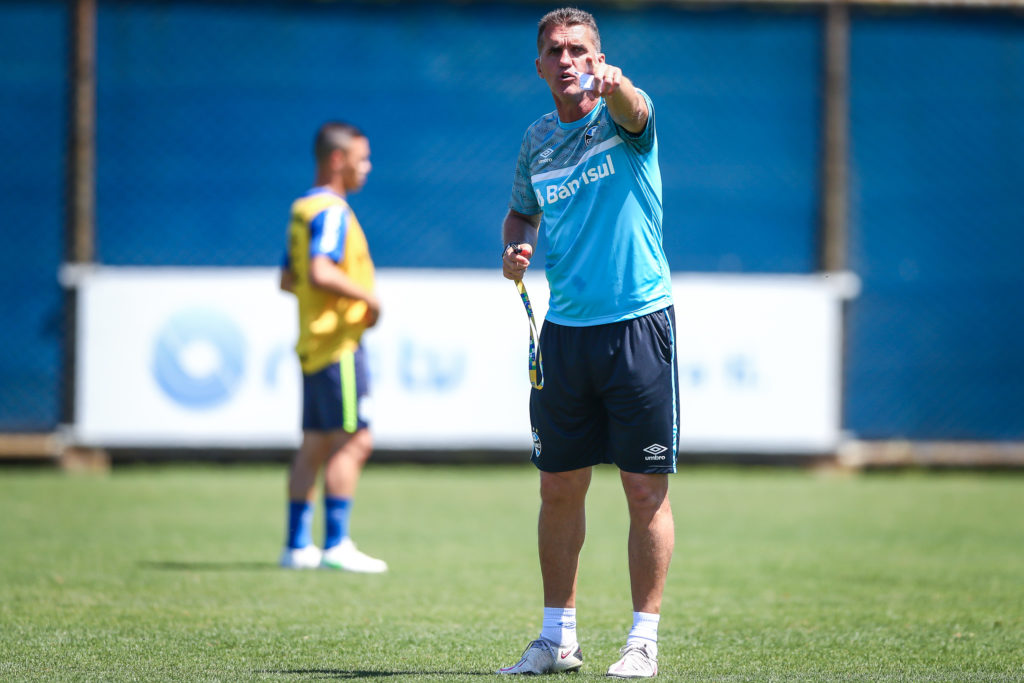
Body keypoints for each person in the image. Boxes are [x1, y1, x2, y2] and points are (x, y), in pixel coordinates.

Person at [497, 8, 677, 678]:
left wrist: (618, 85)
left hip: (637, 324)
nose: (567, 58)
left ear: (597, 58)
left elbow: (638, 110)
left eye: (579, 49)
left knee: (643, 490)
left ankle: (643, 640)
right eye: (555, 50)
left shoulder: (623, 116)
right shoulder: (538, 140)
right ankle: (556, 639)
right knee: (558, 487)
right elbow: (522, 209)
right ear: (540, 65)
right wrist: (516, 246)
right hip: (565, 333)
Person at [277, 121, 387, 574]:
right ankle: (336, 544)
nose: (369, 167)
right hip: (338, 345)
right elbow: (320, 271)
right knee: (355, 440)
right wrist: (367, 298)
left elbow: (289, 279)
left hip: (313, 341)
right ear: (338, 160)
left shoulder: (302, 209)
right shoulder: (333, 211)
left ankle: (297, 546)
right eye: (362, 159)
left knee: (315, 444)